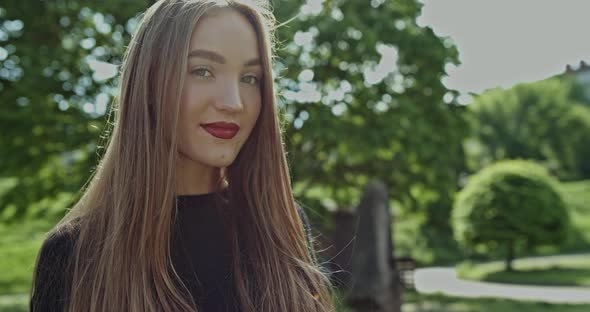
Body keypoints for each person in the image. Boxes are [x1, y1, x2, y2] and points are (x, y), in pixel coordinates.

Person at [29, 0, 335, 311]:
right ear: (148, 82)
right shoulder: (74, 255)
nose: (234, 102)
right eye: (202, 71)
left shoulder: (282, 225)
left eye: (250, 78)